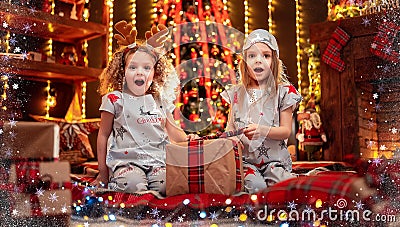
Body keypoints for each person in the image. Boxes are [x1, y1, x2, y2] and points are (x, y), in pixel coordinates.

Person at [93, 21, 196, 195]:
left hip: (158, 162)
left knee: (167, 186)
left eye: (147, 67)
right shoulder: (114, 99)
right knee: (133, 186)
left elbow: (175, 134)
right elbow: (103, 135)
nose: (140, 72)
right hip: (127, 162)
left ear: (155, 73)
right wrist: (102, 172)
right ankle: (123, 182)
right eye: (133, 67)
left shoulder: (159, 100)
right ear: (122, 71)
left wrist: (188, 139)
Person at [221, 29, 302, 193]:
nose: (259, 61)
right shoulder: (237, 93)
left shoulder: (283, 91)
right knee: (256, 187)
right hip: (246, 162)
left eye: (265, 56)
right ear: (244, 62)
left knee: (287, 187)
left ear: (274, 61)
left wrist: (262, 131)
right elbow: (230, 128)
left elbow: (286, 131)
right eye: (252, 56)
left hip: (274, 160)